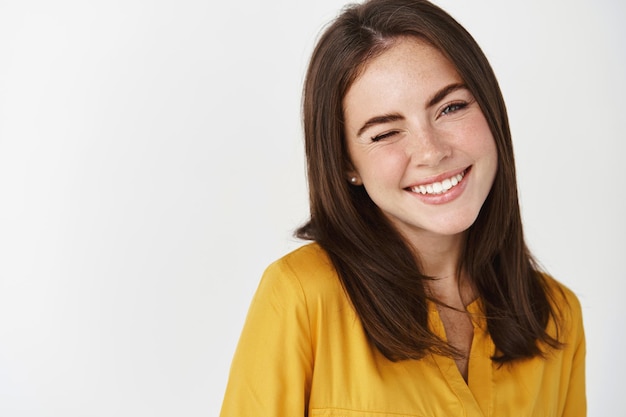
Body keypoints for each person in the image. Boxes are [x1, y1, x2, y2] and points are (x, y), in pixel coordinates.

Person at [220, 0, 586, 415]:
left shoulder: (557, 317)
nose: (431, 152)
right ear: (346, 164)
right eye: (385, 133)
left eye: (451, 107)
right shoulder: (301, 296)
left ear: (491, 109)